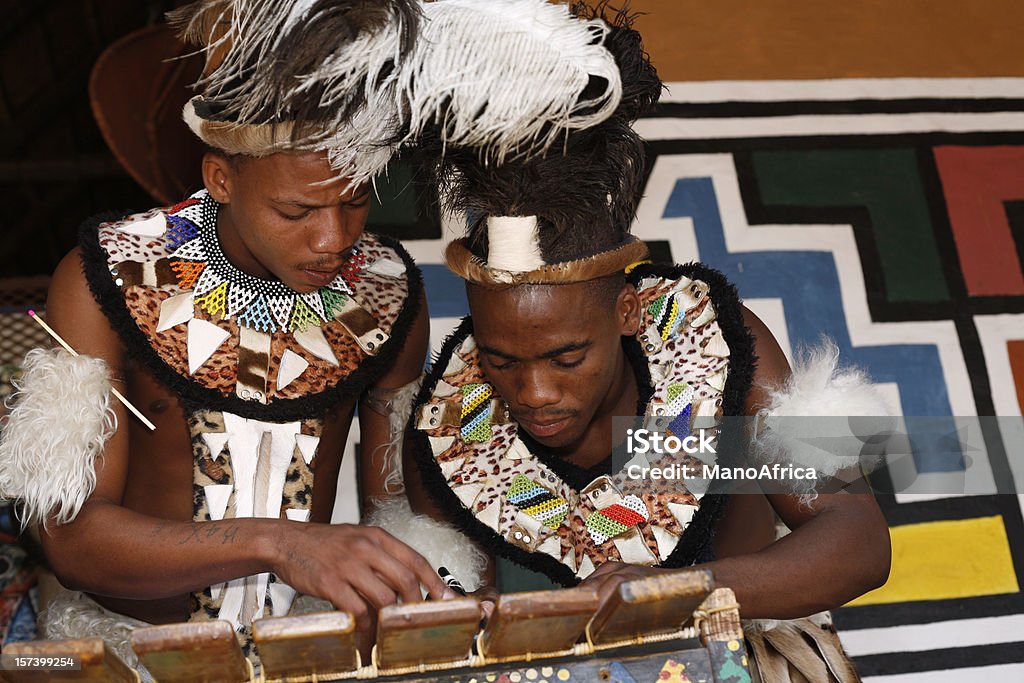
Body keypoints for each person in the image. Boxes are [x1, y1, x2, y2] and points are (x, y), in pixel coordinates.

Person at [0, 0, 639, 667]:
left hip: (301, 654)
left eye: (356, 198)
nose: (333, 238)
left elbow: (396, 510)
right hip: (123, 654)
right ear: (221, 177)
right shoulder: (105, 277)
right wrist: (281, 542)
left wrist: (434, 588)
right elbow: (69, 540)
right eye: (295, 209)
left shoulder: (387, 290)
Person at [380, 10, 892, 681]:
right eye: (502, 359)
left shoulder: (714, 350)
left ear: (627, 310)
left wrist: (680, 591)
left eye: (567, 357)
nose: (535, 392)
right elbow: (452, 618)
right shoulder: (449, 422)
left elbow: (856, 540)